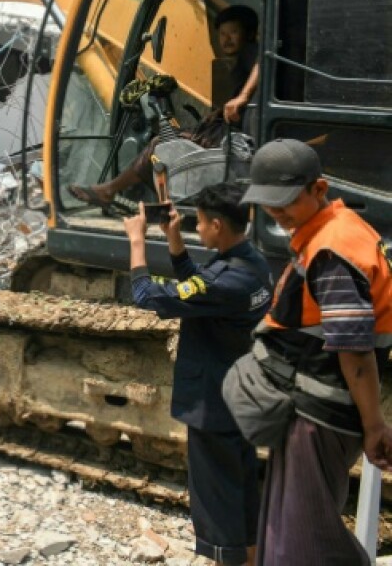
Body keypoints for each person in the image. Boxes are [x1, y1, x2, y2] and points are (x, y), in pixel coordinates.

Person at [240, 139, 392, 566]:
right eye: (268, 203)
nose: (276, 212)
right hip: (313, 404)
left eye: (285, 202)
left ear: (319, 188)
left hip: (320, 408)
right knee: (296, 524)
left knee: (304, 537)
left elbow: (355, 351)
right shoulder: (336, 232)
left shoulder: (333, 251)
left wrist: (374, 426)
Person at [123, 182, 273, 566]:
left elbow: (146, 295)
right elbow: (199, 289)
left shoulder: (223, 279)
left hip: (213, 404)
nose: (198, 228)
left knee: (217, 506)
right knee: (241, 496)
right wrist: (175, 242)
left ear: (219, 225)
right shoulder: (252, 264)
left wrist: (137, 243)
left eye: (201, 223)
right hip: (240, 398)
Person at [71, 4, 261, 209]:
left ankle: (110, 191)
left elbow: (261, 63)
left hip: (231, 141)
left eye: (233, 32)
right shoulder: (242, 61)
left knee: (160, 144)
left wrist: (242, 97)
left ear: (250, 34)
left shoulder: (253, 53)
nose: (227, 39)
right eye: (222, 34)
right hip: (228, 135)